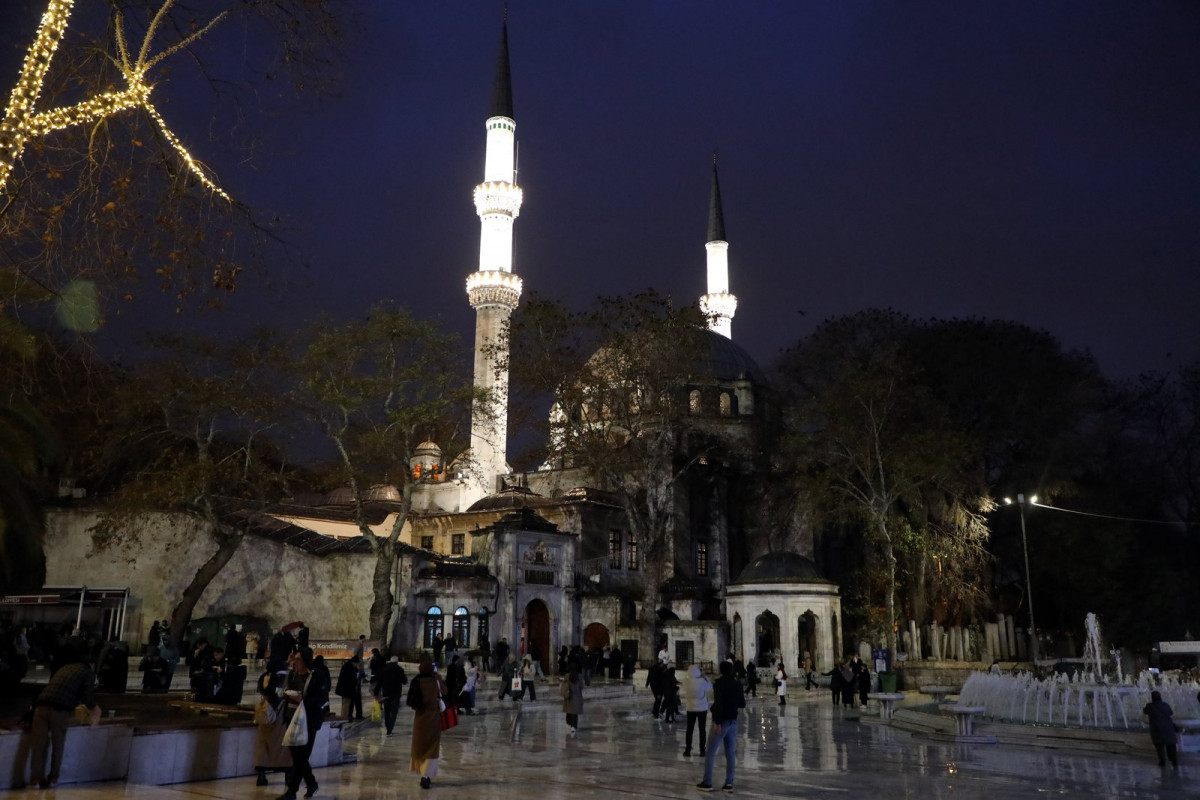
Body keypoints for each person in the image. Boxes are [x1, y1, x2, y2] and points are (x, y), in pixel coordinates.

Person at [28, 653, 102, 789]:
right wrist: (96, 710)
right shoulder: (88, 672)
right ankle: (53, 778)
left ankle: (35, 780)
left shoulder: (66, 668)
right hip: (60, 710)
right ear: (92, 665)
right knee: (58, 745)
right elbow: (87, 696)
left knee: (38, 745)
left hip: (41, 705)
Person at [279, 649, 329, 800]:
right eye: (294, 659)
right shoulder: (292, 675)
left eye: (298, 659)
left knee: (301, 755)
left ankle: (292, 791)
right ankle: (311, 783)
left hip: (308, 720)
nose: (295, 662)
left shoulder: (316, 676)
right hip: (291, 718)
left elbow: (322, 698)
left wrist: (303, 700)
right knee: (297, 756)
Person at [697, 660, 745, 792]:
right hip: (733, 721)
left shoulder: (719, 684)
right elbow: (742, 704)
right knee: (730, 753)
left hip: (721, 721)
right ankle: (729, 783)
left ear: (721, 670)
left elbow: (719, 704)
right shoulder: (738, 684)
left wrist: (717, 722)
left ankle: (707, 782)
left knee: (711, 752)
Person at [408, 658, 448, 789]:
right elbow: (445, 691)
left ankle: (422, 771)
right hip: (433, 718)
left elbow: (411, 701)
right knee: (432, 746)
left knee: (420, 746)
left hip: (420, 718)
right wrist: (439, 678)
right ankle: (426, 776)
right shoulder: (435, 681)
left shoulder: (416, 681)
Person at [253, 666, 291, 787]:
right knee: (283, 749)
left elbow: (262, 692)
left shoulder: (264, 678)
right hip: (280, 719)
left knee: (263, 748)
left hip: (266, 715)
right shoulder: (285, 679)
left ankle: (261, 776)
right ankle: (288, 777)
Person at [683, 663, 713, 757]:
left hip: (690, 708)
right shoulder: (702, 681)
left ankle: (687, 750)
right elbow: (710, 686)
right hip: (702, 709)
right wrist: (704, 676)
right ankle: (702, 750)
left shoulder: (686, 681)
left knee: (689, 729)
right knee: (702, 729)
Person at [1144, 690, 1179, 768]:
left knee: (1159, 746)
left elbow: (1145, 711)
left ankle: (1162, 761)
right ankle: (1174, 761)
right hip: (1168, 727)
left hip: (1156, 729)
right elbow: (1170, 713)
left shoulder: (1150, 706)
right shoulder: (1165, 705)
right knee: (1171, 745)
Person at [379, 655, 408, 735]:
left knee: (387, 712)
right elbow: (404, 681)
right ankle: (390, 729)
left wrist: (376, 691)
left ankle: (387, 726)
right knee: (394, 712)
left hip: (386, 693)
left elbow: (380, 681)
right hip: (395, 694)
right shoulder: (399, 669)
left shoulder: (384, 669)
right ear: (397, 662)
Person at [336, 654, 364, 720]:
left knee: (348, 704)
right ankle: (344, 718)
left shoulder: (351, 667)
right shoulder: (347, 667)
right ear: (354, 662)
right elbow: (348, 679)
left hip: (349, 689)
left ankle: (348, 716)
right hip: (345, 689)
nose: (356, 665)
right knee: (345, 705)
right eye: (356, 664)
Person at [561, 665, 584, 734]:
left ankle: (569, 723)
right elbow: (582, 686)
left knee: (569, 711)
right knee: (575, 713)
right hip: (577, 697)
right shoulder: (579, 676)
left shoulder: (567, 676)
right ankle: (574, 726)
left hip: (569, 697)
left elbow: (564, 686)